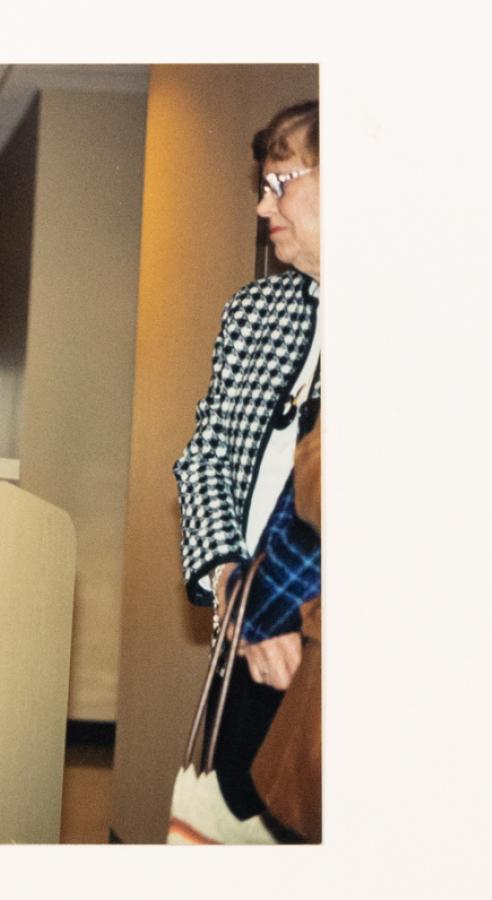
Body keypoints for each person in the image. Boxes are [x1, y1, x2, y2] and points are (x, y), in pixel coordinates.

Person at [172, 100, 320, 841]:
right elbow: (205, 459)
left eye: (281, 182)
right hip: (246, 637)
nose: (264, 205)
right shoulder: (255, 311)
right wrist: (228, 581)